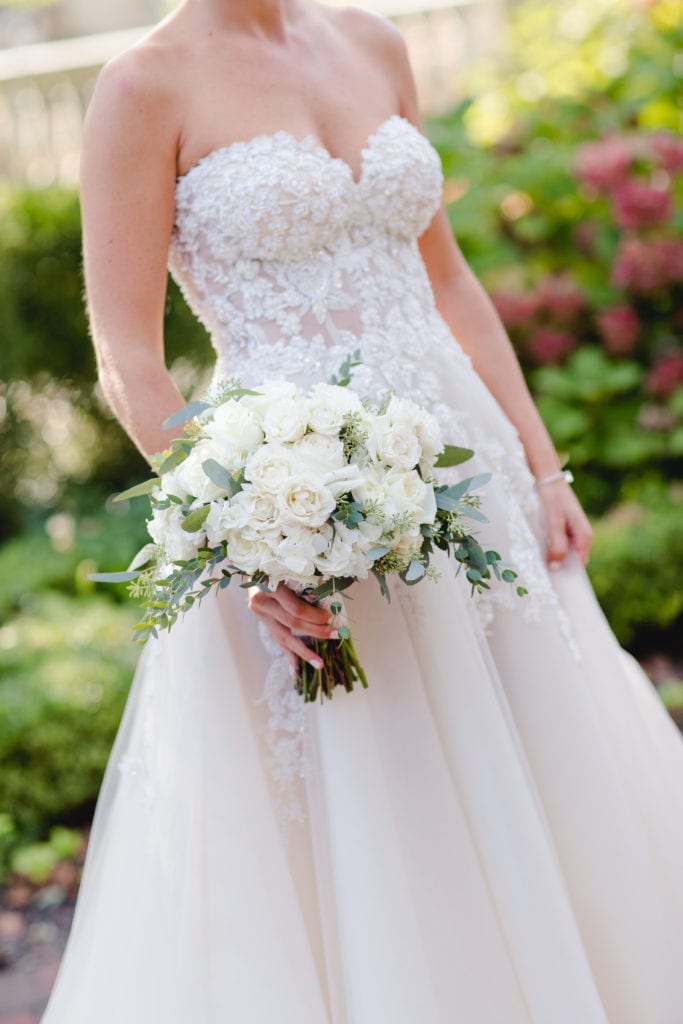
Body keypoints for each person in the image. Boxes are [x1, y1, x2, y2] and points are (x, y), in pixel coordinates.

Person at [40, 2, 683, 1021]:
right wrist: (249, 534)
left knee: (534, 763)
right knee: (376, 801)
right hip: (305, 498)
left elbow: (450, 282)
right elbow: (129, 356)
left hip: (468, 481)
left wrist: (540, 467)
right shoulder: (142, 85)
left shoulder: (372, 39)